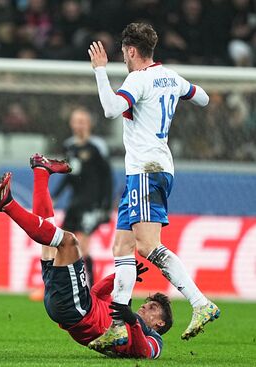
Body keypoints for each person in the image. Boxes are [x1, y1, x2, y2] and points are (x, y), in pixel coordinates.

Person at [86, 22, 219, 350]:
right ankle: (118, 325)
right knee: (122, 248)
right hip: (152, 169)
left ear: (131, 50)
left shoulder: (138, 78)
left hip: (146, 169)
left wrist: (100, 71)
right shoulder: (170, 76)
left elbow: (109, 109)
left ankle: (200, 302)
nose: (123, 59)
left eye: (123, 53)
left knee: (146, 246)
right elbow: (201, 98)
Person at [0, 154, 172, 359]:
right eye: (148, 303)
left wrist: (132, 322)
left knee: (69, 242)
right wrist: (117, 279)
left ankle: (7, 205)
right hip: (73, 306)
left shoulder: (154, 339)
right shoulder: (122, 313)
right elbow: (97, 293)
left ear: (160, 323)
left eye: (153, 307)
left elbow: (143, 353)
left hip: (78, 311)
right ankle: (41, 172)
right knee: (49, 244)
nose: (145, 306)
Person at [55, 107, 113, 287]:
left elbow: (107, 176)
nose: (78, 125)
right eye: (76, 121)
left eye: (82, 121)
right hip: (75, 203)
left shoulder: (97, 147)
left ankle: (91, 287)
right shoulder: (69, 147)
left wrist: (106, 205)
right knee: (63, 244)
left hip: (91, 203)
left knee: (82, 246)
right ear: (71, 124)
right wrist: (55, 195)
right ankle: (62, 285)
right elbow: (69, 175)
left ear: (88, 124)